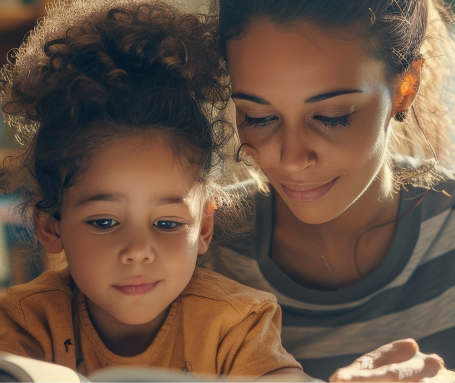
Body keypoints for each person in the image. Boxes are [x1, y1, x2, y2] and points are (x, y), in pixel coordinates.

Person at [0, 0, 304, 379]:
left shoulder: (235, 324)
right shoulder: (28, 319)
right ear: (50, 225)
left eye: (166, 224)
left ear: (204, 227)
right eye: (105, 221)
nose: (138, 252)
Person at [206, 0, 455, 381]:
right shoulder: (195, 241)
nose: (291, 159)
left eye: (332, 117)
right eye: (258, 118)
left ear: (406, 87)